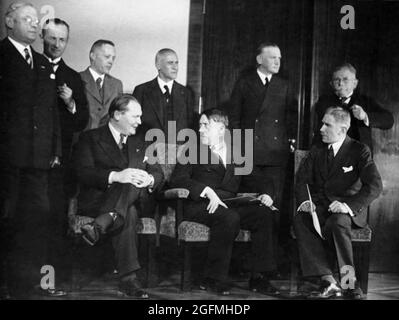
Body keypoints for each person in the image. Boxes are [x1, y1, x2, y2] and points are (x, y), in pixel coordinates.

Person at [170, 108, 280, 296]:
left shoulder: (237, 153)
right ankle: (214, 278)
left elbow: (261, 180)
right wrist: (206, 191)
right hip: (199, 205)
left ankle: (260, 277)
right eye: (200, 125)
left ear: (222, 129)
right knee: (229, 217)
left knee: (263, 213)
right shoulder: (191, 149)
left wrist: (267, 194)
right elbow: (178, 179)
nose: (201, 130)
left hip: (229, 203)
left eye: (206, 125)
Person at [0, 1, 66, 298]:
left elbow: (50, 112)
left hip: (39, 161)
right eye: (25, 18)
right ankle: (12, 286)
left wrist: (55, 150)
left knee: (38, 220)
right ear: (8, 21)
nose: (33, 23)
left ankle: (34, 284)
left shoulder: (41, 62)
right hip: (8, 160)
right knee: (9, 219)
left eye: (35, 19)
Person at [73, 94, 164, 298]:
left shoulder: (142, 142)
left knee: (131, 185)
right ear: (116, 115)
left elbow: (158, 174)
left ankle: (102, 223)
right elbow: (82, 172)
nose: (140, 122)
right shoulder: (90, 138)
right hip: (99, 201)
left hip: (136, 199)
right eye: (135, 116)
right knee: (128, 211)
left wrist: (148, 179)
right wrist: (116, 176)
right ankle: (128, 281)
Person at [294, 107, 383, 300]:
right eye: (322, 123)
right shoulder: (317, 150)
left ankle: (350, 284)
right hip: (321, 208)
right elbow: (301, 180)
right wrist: (305, 202)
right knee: (301, 219)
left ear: (342, 130)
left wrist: (348, 206)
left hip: (347, 211)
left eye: (327, 125)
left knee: (338, 222)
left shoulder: (359, 150)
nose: (321, 129)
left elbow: (375, 185)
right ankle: (328, 280)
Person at [229, 42, 297, 224]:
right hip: (249, 152)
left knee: (274, 200)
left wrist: (289, 142)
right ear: (259, 59)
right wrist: (238, 146)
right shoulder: (244, 82)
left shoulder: (284, 85)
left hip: (276, 153)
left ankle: (273, 249)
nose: (277, 61)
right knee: (252, 200)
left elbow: (291, 118)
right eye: (273, 57)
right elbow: (234, 117)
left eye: (279, 58)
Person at [313, 63, 394, 152]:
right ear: (331, 84)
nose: (341, 84)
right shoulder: (324, 101)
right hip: (331, 155)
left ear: (355, 83)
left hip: (359, 156)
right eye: (337, 80)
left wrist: (365, 116)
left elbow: (389, 120)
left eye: (345, 79)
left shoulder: (365, 101)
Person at [132, 48, 195, 137]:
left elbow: (190, 126)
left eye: (176, 63)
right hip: (148, 148)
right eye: (170, 63)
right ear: (158, 65)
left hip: (178, 149)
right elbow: (134, 124)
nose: (175, 67)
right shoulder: (141, 91)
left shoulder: (186, 93)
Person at [80, 39, 123, 130]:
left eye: (113, 58)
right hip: (82, 140)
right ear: (93, 56)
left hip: (107, 141)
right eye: (107, 57)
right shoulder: (77, 79)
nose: (111, 61)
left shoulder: (117, 85)